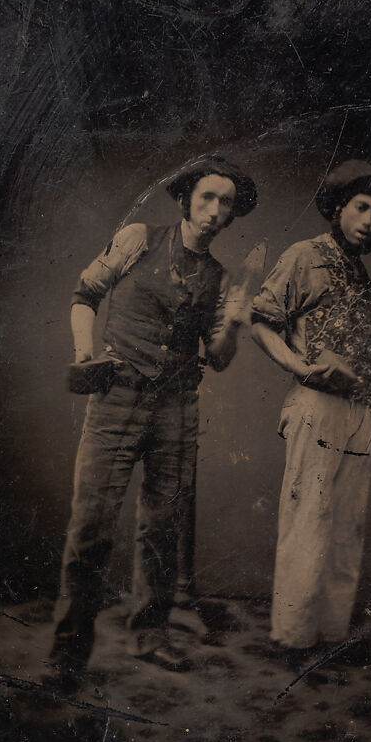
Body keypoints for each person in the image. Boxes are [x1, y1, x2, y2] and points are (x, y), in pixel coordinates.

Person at [46, 154, 259, 687]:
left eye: (225, 203)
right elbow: (84, 295)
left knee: (163, 528)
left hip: (177, 408)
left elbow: (219, 357)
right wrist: (83, 354)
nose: (214, 211)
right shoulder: (139, 237)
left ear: (232, 216)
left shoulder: (219, 276)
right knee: (91, 526)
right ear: (186, 199)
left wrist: (234, 323)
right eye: (206, 197)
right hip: (117, 395)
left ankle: (151, 635)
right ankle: (68, 651)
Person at [250, 160, 371, 668]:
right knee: (309, 522)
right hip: (316, 407)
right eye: (360, 207)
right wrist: (302, 369)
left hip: (360, 407)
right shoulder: (305, 255)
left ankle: (330, 635)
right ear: (338, 208)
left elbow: (362, 345)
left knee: (347, 527)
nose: (368, 220)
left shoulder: (363, 272)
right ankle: (294, 641)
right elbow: (261, 321)